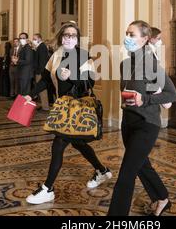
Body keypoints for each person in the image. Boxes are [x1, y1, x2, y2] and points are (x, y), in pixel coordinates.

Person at [23, 22, 112, 205]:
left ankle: (47, 188)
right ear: (60, 37)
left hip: (77, 108)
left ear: (77, 38)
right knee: (79, 143)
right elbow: (46, 80)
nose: (69, 38)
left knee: (58, 144)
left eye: (72, 35)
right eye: (65, 35)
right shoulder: (55, 55)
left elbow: (90, 82)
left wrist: (70, 76)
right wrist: (30, 94)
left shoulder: (83, 55)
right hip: (62, 106)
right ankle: (102, 171)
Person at [108, 20, 176, 216]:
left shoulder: (150, 63)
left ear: (145, 39)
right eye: (126, 34)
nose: (127, 38)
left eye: (132, 35)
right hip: (128, 122)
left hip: (147, 125)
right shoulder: (124, 64)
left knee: (127, 172)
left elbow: (172, 94)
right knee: (141, 165)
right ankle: (162, 197)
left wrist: (144, 99)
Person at [32, 33, 50, 111]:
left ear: (39, 38)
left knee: (42, 90)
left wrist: (40, 72)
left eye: (35, 39)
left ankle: (45, 107)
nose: (33, 40)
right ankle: (42, 105)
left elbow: (42, 61)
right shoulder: (39, 47)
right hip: (39, 71)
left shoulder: (42, 47)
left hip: (41, 72)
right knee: (40, 89)